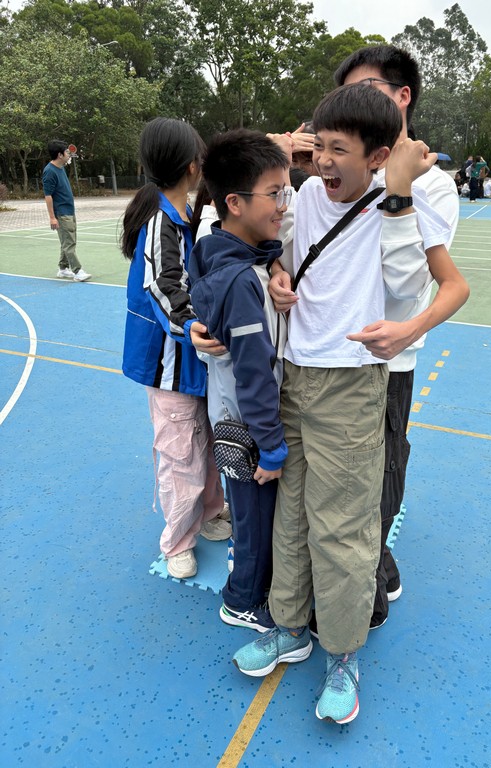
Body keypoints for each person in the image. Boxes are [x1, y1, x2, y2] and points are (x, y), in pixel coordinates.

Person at [231, 84, 465, 725]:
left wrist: (399, 196)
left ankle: (341, 654)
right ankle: (289, 628)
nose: (325, 161)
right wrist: (276, 274)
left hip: (353, 383)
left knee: (344, 528)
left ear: (378, 156)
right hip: (293, 376)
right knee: (292, 516)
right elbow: (273, 247)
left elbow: (405, 286)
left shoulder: (401, 202)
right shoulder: (306, 194)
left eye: (340, 150)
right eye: (321, 147)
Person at [332, 44, 464, 631]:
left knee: (382, 470)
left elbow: (411, 284)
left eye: (367, 92)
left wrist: (398, 185)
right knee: (334, 477)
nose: (353, 106)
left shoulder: (432, 186)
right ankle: (359, 567)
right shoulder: (344, 170)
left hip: (389, 360)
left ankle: (368, 590)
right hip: (328, 355)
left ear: (402, 96)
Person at [190, 129, 291, 632]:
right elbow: (253, 373)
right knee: (254, 517)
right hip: (247, 429)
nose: (283, 205)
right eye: (275, 194)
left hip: (235, 417)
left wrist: (271, 260)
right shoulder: (240, 284)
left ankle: (248, 582)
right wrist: (271, 447)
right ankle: (242, 599)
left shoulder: (224, 256)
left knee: (249, 511)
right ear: (234, 202)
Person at [120, 117, 229, 581]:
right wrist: (192, 325)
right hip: (169, 365)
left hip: (192, 363)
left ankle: (211, 512)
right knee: (182, 454)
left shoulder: (181, 213)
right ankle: (178, 541)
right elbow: (162, 286)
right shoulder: (160, 221)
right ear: (192, 166)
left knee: (208, 441)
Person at [42, 140, 91, 281]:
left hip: (69, 211)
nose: (69, 154)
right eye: (66, 152)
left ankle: (63, 269)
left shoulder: (60, 167)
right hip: (62, 213)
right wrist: (52, 217)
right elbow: (48, 196)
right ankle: (77, 271)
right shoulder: (49, 172)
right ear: (59, 155)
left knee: (68, 241)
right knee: (69, 243)